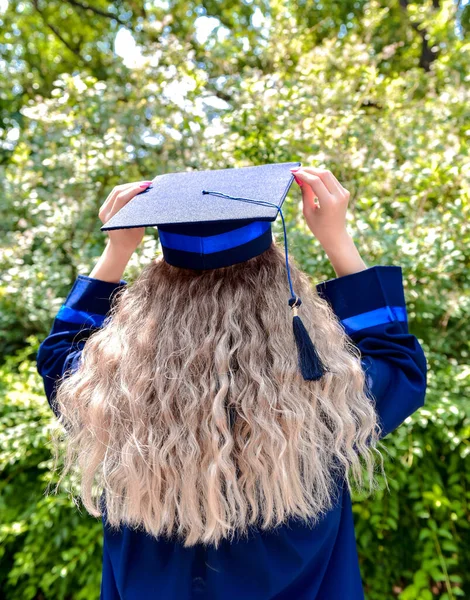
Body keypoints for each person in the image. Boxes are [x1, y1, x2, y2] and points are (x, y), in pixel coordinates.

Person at [36, 165, 427, 600]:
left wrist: (116, 252)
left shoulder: (110, 396)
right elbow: (400, 366)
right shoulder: (326, 403)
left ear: (152, 296)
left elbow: (58, 359)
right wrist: (337, 240)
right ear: (280, 287)